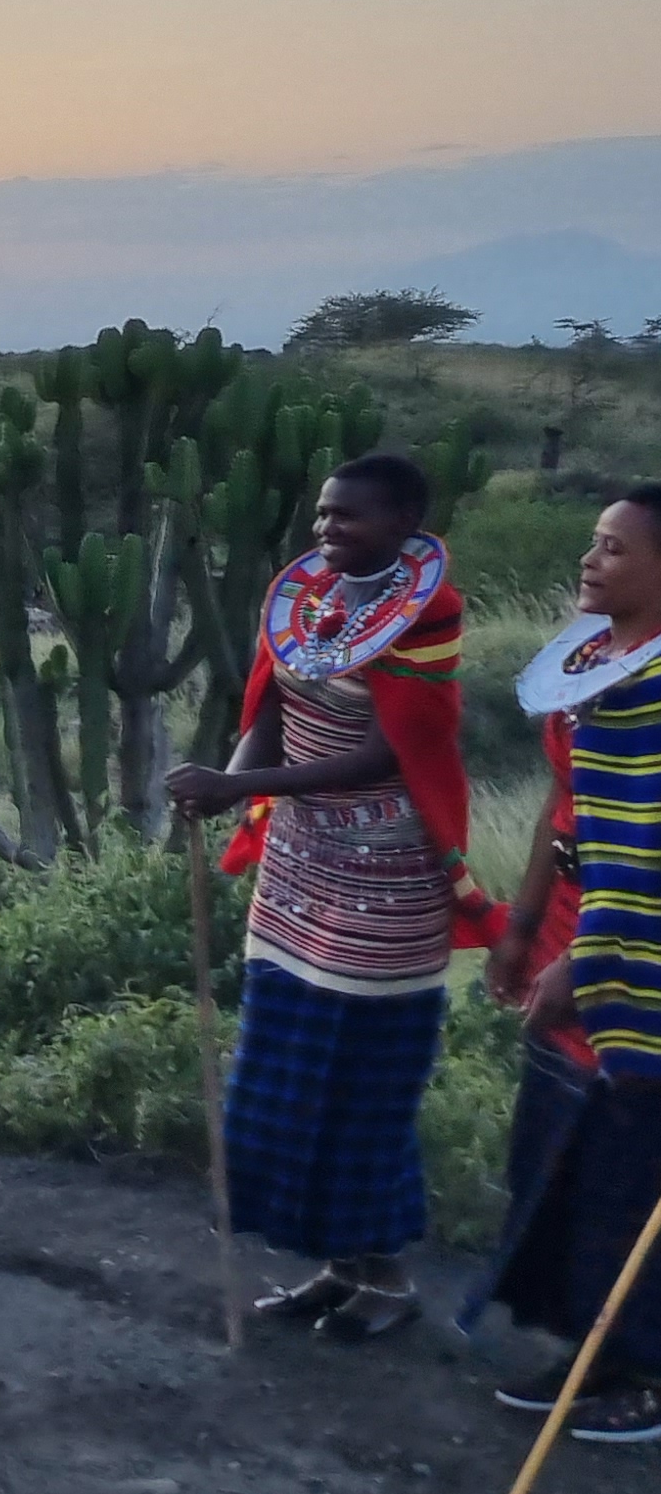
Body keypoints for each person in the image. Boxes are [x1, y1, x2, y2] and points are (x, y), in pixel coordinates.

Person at [168, 452, 489, 1337]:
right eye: (321, 515)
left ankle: (385, 1279)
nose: (326, 531)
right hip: (302, 864)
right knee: (285, 1074)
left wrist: (245, 786)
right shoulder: (306, 598)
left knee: (360, 1086)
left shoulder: (430, 614)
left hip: (385, 879)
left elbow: (395, 752)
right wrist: (225, 783)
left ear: (404, 525)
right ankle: (338, 1266)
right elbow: (266, 706)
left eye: (348, 518)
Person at [481, 483, 661, 1442]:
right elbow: (569, 817)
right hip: (579, 940)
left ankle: (644, 1372)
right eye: (592, 544)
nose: (590, 562)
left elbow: (646, 856)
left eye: (614, 549)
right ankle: (588, 1347)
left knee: (635, 1166)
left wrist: (589, 967)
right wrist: (521, 929)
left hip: (641, 961)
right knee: (569, 1159)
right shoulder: (593, 669)